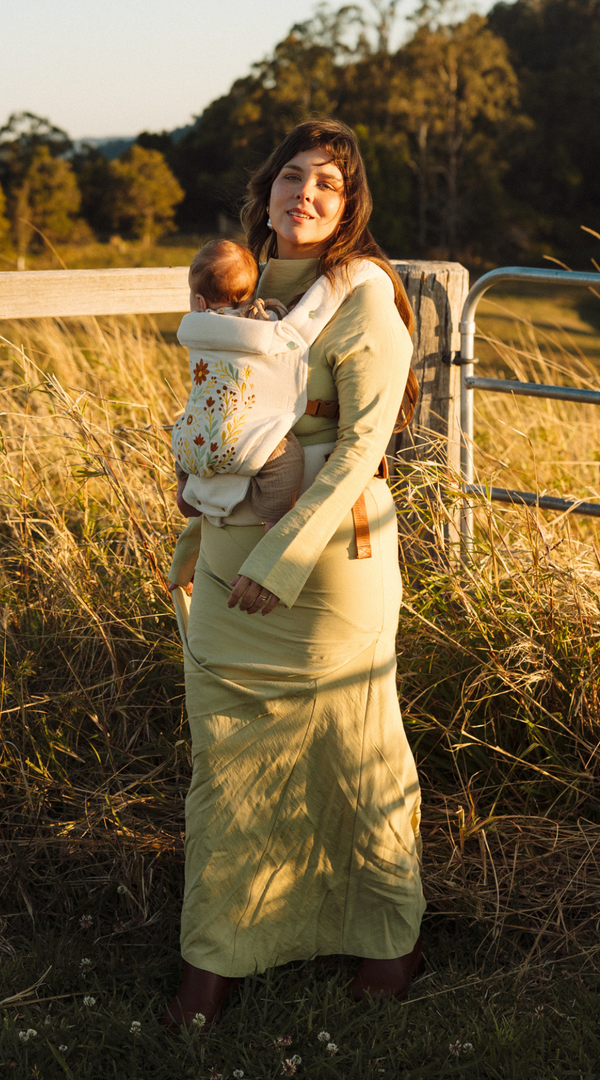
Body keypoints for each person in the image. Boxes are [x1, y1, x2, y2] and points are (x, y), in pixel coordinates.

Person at [163, 118, 425, 1033]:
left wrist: (281, 558)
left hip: (327, 569)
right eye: (291, 175)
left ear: (348, 208)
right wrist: (199, 498)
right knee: (226, 767)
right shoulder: (230, 288)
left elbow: (361, 448)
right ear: (266, 188)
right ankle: (216, 958)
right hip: (227, 556)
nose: (304, 193)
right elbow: (219, 413)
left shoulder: (365, 300)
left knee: (355, 755)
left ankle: (386, 943)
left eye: (328, 183)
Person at [173, 239, 305, 532]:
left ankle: (184, 486)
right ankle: (273, 518)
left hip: (193, 435)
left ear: (199, 302)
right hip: (241, 436)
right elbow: (287, 334)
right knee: (286, 458)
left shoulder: (193, 327)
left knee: (182, 427)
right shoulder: (261, 324)